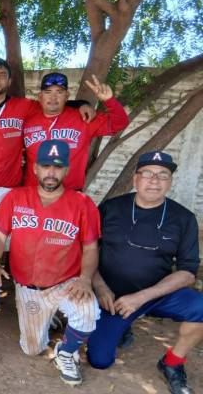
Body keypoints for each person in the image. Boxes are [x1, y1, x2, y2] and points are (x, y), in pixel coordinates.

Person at [0, 139, 100, 386]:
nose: (51, 173)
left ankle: (65, 352)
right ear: (35, 168)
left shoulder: (82, 203)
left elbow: (91, 248)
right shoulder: (16, 197)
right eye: (46, 166)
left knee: (89, 312)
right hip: (29, 287)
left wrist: (85, 279)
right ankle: (50, 316)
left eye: (58, 167)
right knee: (32, 349)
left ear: (66, 170)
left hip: (66, 282)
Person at [87, 151, 202, 394]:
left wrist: (141, 297)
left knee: (200, 307)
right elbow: (87, 251)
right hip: (112, 299)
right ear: (135, 179)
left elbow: (188, 272)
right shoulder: (110, 208)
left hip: (157, 295)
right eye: (147, 173)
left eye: (163, 175)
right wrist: (99, 285)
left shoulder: (184, 218)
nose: (154, 180)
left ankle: (172, 362)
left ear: (170, 182)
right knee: (99, 360)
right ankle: (123, 326)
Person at [0, 58, 94, 211]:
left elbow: (52, 103)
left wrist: (81, 104)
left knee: (4, 226)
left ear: (9, 81)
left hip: (11, 188)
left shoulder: (24, 106)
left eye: (2, 75)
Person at [22, 73, 129, 190]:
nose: (53, 97)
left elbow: (119, 124)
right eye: (48, 92)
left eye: (59, 92)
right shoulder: (27, 119)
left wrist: (109, 100)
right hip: (32, 192)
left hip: (70, 192)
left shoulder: (83, 117)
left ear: (67, 96)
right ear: (40, 96)